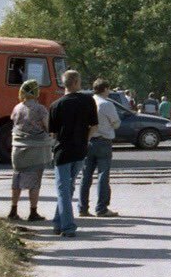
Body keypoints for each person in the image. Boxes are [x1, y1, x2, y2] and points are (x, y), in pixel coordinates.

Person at [48, 70, 98, 237]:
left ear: (64, 84)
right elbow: (94, 126)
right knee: (68, 188)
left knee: (63, 189)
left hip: (62, 152)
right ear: (76, 82)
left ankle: (68, 227)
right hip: (80, 151)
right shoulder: (88, 101)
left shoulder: (56, 105)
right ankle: (57, 222)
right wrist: (85, 140)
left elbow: (53, 134)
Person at [79, 79, 122, 218]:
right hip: (103, 142)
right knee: (103, 175)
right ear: (105, 89)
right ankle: (101, 208)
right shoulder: (107, 104)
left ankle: (83, 207)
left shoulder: (87, 103)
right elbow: (116, 123)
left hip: (88, 141)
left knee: (86, 176)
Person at [9, 80, 50, 221]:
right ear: (36, 92)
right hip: (36, 149)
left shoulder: (17, 108)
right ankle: (33, 212)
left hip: (17, 148)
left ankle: (13, 210)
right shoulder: (40, 109)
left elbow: (14, 122)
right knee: (35, 181)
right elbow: (47, 126)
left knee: (17, 178)